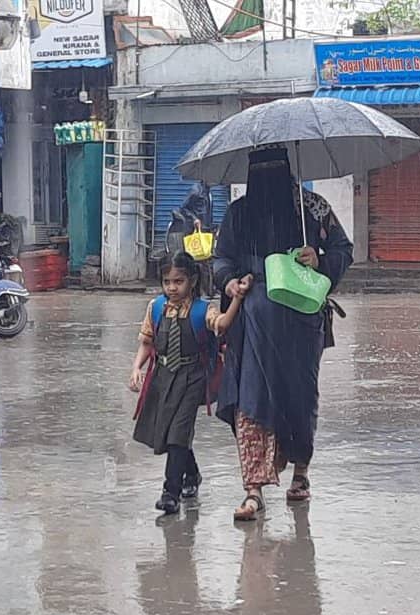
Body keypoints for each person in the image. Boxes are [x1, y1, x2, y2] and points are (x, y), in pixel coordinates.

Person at [212, 146, 354, 521]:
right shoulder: (238, 214)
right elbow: (221, 258)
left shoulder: (313, 209)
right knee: (250, 399)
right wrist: (230, 283)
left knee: (298, 397)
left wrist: (318, 258)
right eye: (261, 172)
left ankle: (301, 474)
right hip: (250, 322)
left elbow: (343, 248)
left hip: (301, 324)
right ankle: (253, 489)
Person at [130, 251, 244, 515]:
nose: (172, 287)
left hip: (193, 377)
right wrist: (137, 367)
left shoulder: (204, 310)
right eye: (167, 281)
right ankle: (191, 475)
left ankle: (170, 493)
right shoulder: (156, 307)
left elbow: (223, 324)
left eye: (178, 281)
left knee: (179, 431)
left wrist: (236, 298)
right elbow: (147, 341)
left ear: (191, 280)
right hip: (162, 375)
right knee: (168, 431)